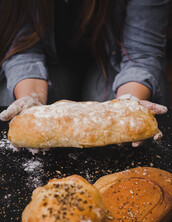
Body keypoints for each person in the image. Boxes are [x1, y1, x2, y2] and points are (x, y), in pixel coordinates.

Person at [0, 0, 170, 129]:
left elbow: (141, 54)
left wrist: (128, 107)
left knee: (117, 114)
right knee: (11, 103)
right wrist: (32, 98)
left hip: (117, 64)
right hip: (50, 62)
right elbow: (22, 49)